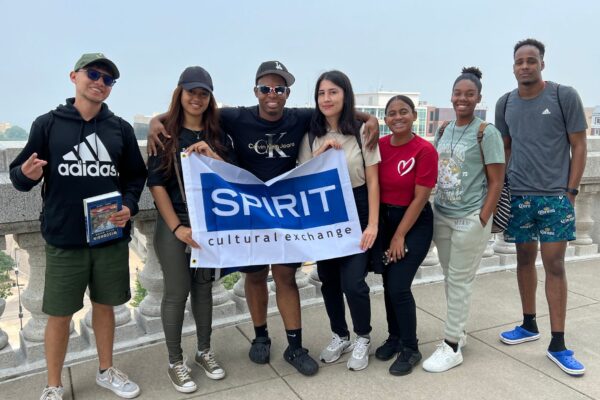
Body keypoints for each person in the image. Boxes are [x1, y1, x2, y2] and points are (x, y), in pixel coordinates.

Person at [147, 61, 380, 377]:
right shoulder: (236, 117)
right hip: (248, 211)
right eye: (265, 88)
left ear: (287, 93)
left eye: (279, 88)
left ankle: (295, 346)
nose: (272, 94)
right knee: (254, 277)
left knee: (285, 277)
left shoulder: (299, 117)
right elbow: (195, 109)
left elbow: (339, 110)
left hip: (286, 212)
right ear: (255, 91)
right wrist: (154, 121)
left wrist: (371, 118)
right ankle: (260, 337)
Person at [9, 53, 147, 400]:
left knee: (106, 306)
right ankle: (53, 385)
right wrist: (26, 175)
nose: (100, 82)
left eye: (108, 79)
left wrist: (129, 206)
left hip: (109, 236)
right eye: (94, 74)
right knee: (58, 314)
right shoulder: (48, 124)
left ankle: (106, 370)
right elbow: (18, 175)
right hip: (64, 238)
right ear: (75, 77)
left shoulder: (120, 130)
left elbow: (135, 175)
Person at [495, 39, 587, 376]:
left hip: (554, 197)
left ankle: (558, 343)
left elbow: (579, 146)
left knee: (555, 265)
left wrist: (571, 192)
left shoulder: (564, 96)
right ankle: (528, 324)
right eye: (519, 61)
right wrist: (499, 191)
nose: (525, 66)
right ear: (513, 66)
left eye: (531, 60)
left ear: (542, 64)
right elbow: (503, 149)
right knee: (522, 259)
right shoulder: (505, 103)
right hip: (518, 195)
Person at [147, 66, 236, 393]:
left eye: (203, 93)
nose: (196, 98)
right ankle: (175, 361)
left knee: (204, 289)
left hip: (209, 224)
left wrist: (212, 155)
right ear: (180, 93)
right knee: (176, 292)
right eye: (191, 92)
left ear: (210, 97)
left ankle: (204, 351)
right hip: (175, 224)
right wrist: (177, 228)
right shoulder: (164, 133)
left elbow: (233, 179)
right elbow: (156, 185)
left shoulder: (218, 133)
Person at [423, 67, 505, 373]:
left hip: (470, 217)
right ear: (451, 95)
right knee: (451, 278)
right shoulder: (444, 130)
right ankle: (458, 332)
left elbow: (497, 180)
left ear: (479, 98)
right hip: (442, 214)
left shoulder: (486, 132)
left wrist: (482, 218)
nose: (462, 99)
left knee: (459, 280)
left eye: (469, 95)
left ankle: (452, 346)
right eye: (458, 93)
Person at [297, 70, 380, 371]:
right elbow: (303, 179)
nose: (327, 98)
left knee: (354, 282)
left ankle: (363, 336)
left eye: (333, 92)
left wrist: (372, 224)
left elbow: (373, 181)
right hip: (326, 211)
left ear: (345, 95)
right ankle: (339, 334)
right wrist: (319, 153)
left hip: (357, 207)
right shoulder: (310, 134)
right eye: (321, 93)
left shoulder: (361, 130)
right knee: (328, 280)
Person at [374, 95, 438, 376]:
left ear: (414, 116)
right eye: (391, 113)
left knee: (399, 285)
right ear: (385, 119)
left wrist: (399, 236)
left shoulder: (424, 150)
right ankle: (395, 337)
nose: (397, 117)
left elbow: (421, 198)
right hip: (385, 221)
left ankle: (411, 348)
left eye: (403, 112)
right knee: (388, 283)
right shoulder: (379, 146)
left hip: (414, 223)